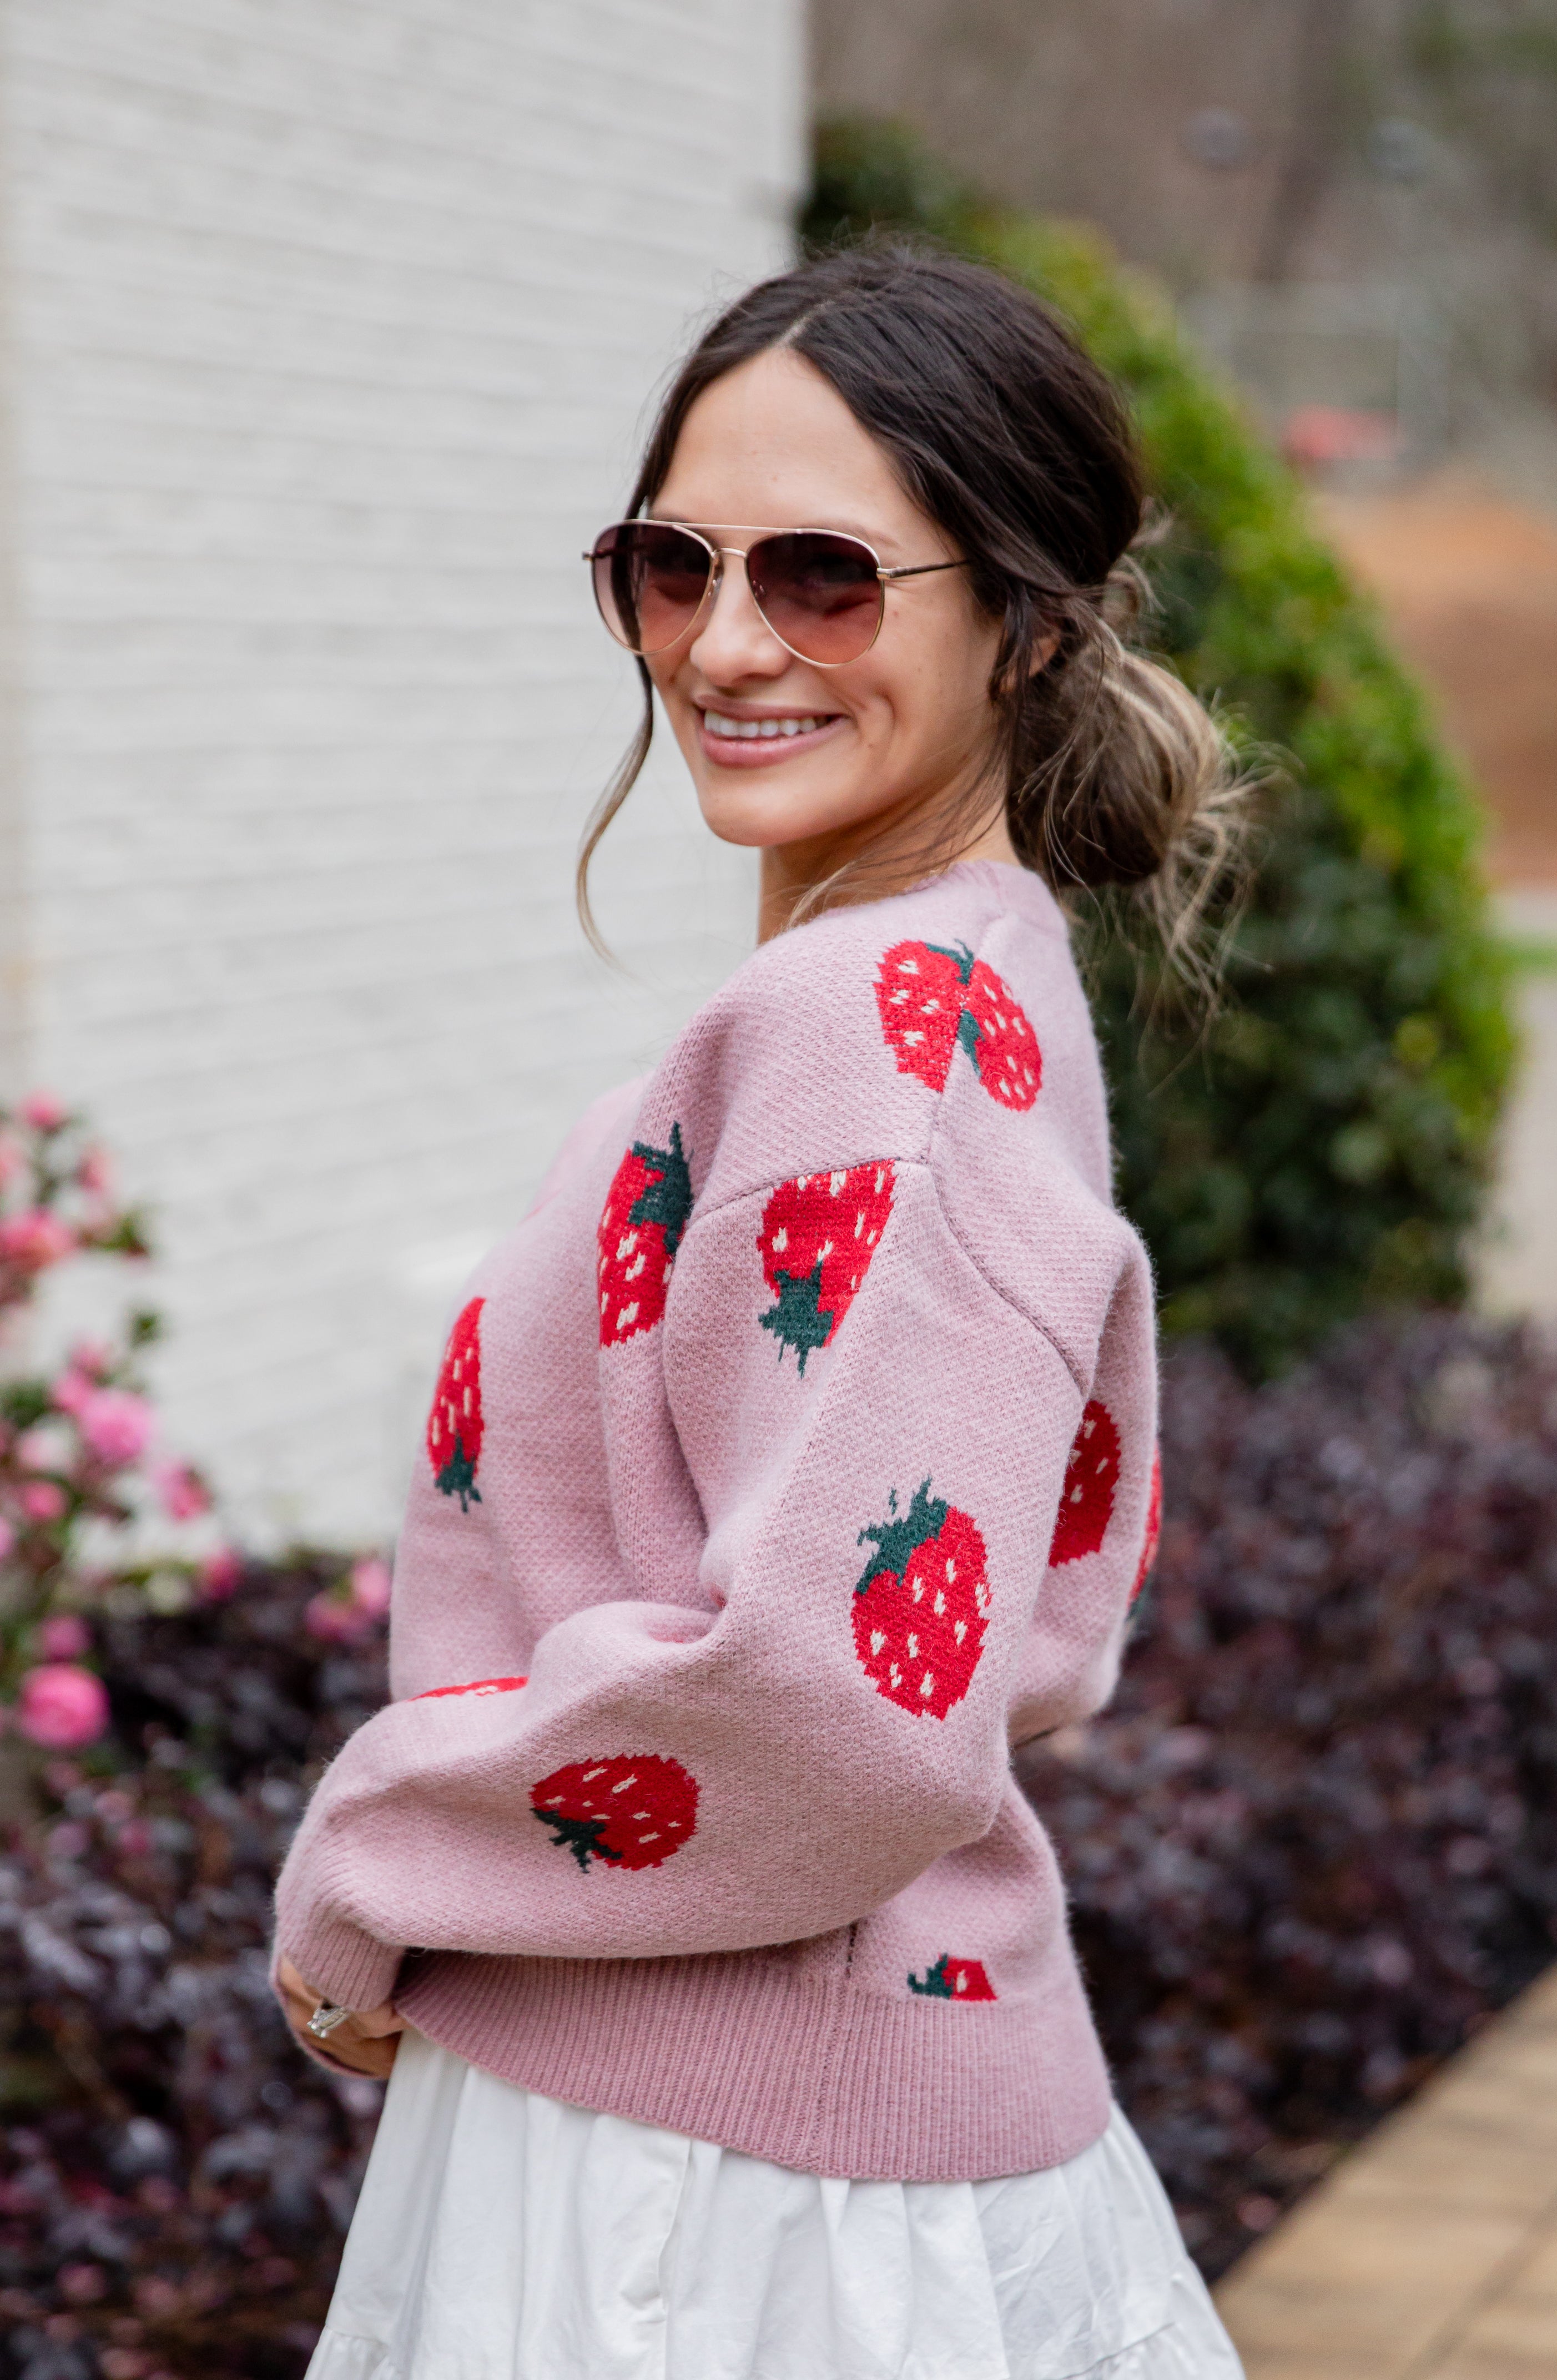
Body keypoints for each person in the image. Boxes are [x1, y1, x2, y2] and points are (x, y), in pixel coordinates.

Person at [274, 243, 1247, 2380]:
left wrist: (374, 1850)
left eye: (822, 575)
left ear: (1027, 619)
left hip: (710, 2198)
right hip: (773, 2123)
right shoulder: (964, 993)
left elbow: (832, 1700)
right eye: (668, 566)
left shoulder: (868, 1026)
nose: (723, 644)